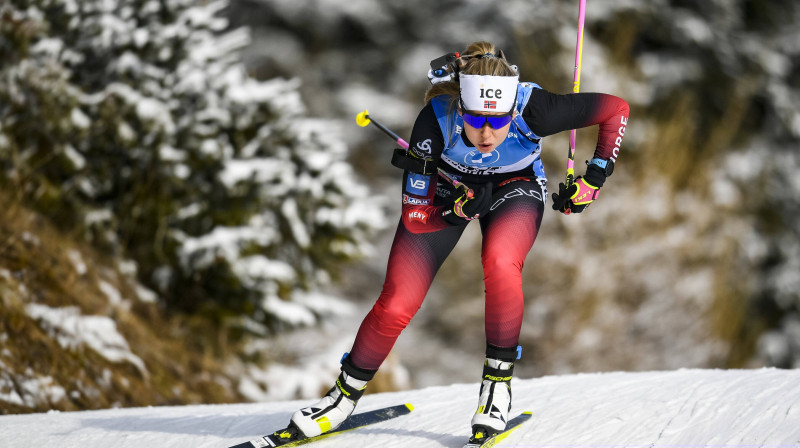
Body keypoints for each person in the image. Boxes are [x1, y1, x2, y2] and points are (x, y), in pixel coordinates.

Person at [278, 41, 630, 446]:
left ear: (512, 110)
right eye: (476, 119)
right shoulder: (435, 119)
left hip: (514, 187)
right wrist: (455, 212)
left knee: (501, 262)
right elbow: (415, 214)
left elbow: (616, 109)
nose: (486, 134)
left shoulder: (534, 108)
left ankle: (496, 390)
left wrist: (593, 179)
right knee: (397, 301)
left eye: (497, 122)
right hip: (449, 191)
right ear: (460, 106)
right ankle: (340, 399)